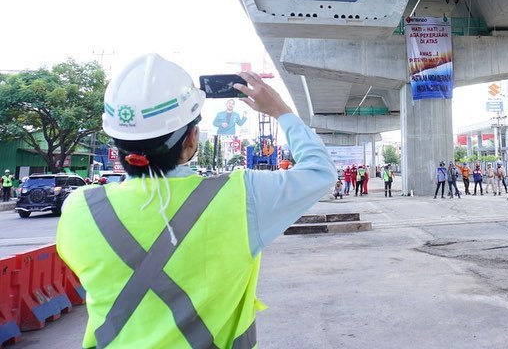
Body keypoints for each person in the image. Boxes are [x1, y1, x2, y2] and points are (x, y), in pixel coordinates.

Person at [56, 54, 335, 348]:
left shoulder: (78, 208)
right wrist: (280, 111)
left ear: (116, 141)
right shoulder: (241, 195)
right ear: (191, 139)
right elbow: (319, 171)